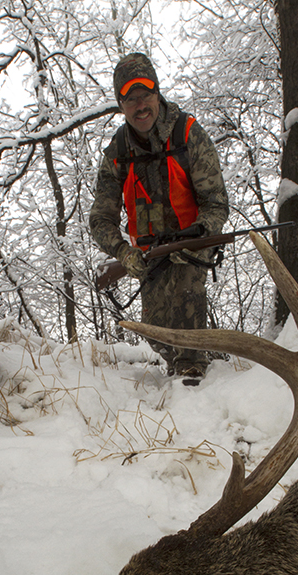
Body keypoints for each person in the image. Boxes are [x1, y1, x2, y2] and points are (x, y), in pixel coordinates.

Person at [90, 52, 229, 383]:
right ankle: (178, 365)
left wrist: (202, 234)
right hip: (149, 254)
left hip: (191, 247)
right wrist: (124, 254)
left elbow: (217, 202)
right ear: (120, 104)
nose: (141, 106)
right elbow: (100, 217)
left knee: (188, 313)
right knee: (156, 333)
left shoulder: (188, 134)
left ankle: (193, 375)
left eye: (146, 95)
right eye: (131, 98)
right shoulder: (117, 152)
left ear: (157, 93)